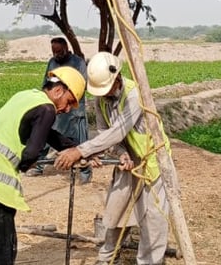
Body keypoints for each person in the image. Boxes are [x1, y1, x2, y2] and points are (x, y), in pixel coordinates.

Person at [0, 66, 86, 265]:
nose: (67, 109)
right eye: (69, 101)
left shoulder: (25, 97)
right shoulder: (47, 109)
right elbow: (31, 153)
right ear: (58, 91)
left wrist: (79, 150)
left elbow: (48, 134)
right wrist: (26, 164)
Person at [55, 52, 172, 265]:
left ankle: (150, 262)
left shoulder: (135, 95)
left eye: (107, 88)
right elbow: (104, 131)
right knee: (116, 210)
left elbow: (118, 130)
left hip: (153, 159)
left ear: (117, 77)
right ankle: (107, 258)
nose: (105, 93)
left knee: (153, 218)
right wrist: (120, 153)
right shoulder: (101, 100)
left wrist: (80, 151)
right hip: (127, 161)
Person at [27, 36, 92, 183]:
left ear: (66, 48)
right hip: (56, 107)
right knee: (46, 134)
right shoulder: (52, 63)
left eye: (59, 51)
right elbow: (46, 84)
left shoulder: (78, 62)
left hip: (74, 109)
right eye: (54, 52)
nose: (57, 55)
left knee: (80, 142)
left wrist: (68, 98)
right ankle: (38, 165)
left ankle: (85, 172)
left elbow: (82, 85)